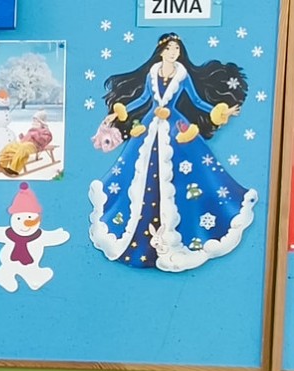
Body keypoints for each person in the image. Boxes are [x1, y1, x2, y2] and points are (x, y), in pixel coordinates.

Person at [90, 33, 253, 272]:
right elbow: (143, 99)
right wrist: (119, 112)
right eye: (169, 49)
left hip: (176, 127)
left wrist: (222, 111)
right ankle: (139, 231)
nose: (173, 53)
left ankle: (179, 233)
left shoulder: (182, 74)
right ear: (161, 51)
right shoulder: (153, 73)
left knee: (188, 173)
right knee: (136, 173)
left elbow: (196, 101)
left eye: (176, 49)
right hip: (150, 126)